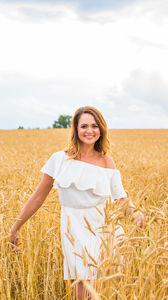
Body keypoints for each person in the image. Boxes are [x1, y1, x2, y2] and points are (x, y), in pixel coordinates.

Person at [10, 106, 145, 300]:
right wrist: (15, 227)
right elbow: (38, 197)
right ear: (75, 129)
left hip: (104, 232)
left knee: (101, 293)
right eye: (84, 126)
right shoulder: (59, 159)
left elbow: (120, 198)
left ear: (101, 129)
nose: (89, 130)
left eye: (94, 126)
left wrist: (135, 214)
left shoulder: (107, 162)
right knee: (80, 294)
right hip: (73, 230)